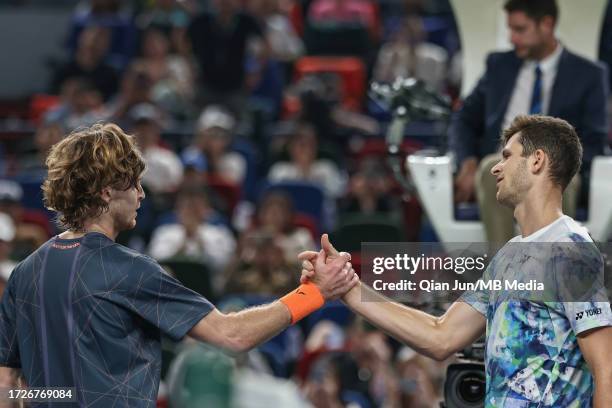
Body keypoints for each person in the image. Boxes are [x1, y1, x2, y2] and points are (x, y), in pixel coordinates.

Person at [0, 123, 358, 407]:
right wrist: (313, 293)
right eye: (134, 183)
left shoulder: (24, 272)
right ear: (107, 191)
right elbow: (231, 336)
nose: (141, 194)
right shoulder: (129, 270)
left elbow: (8, 387)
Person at [302, 115, 612, 406]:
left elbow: (606, 365)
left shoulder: (570, 250)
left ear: (537, 161)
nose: (495, 168)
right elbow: (441, 336)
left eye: (507, 156)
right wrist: (348, 288)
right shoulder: (509, 256)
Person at [449, 0, 608, 243]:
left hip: (558, 166)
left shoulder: (588, 74)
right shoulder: (498, 66)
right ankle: (503, 274)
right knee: (492, 169)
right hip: (500, 160)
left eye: (520, 30)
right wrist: (467, 162)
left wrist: (553, 164)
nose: (512, 38)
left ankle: (555, 272)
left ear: (546, 24)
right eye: (510, 30)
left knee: (561, 182)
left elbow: (594, 139)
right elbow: (464, 119)